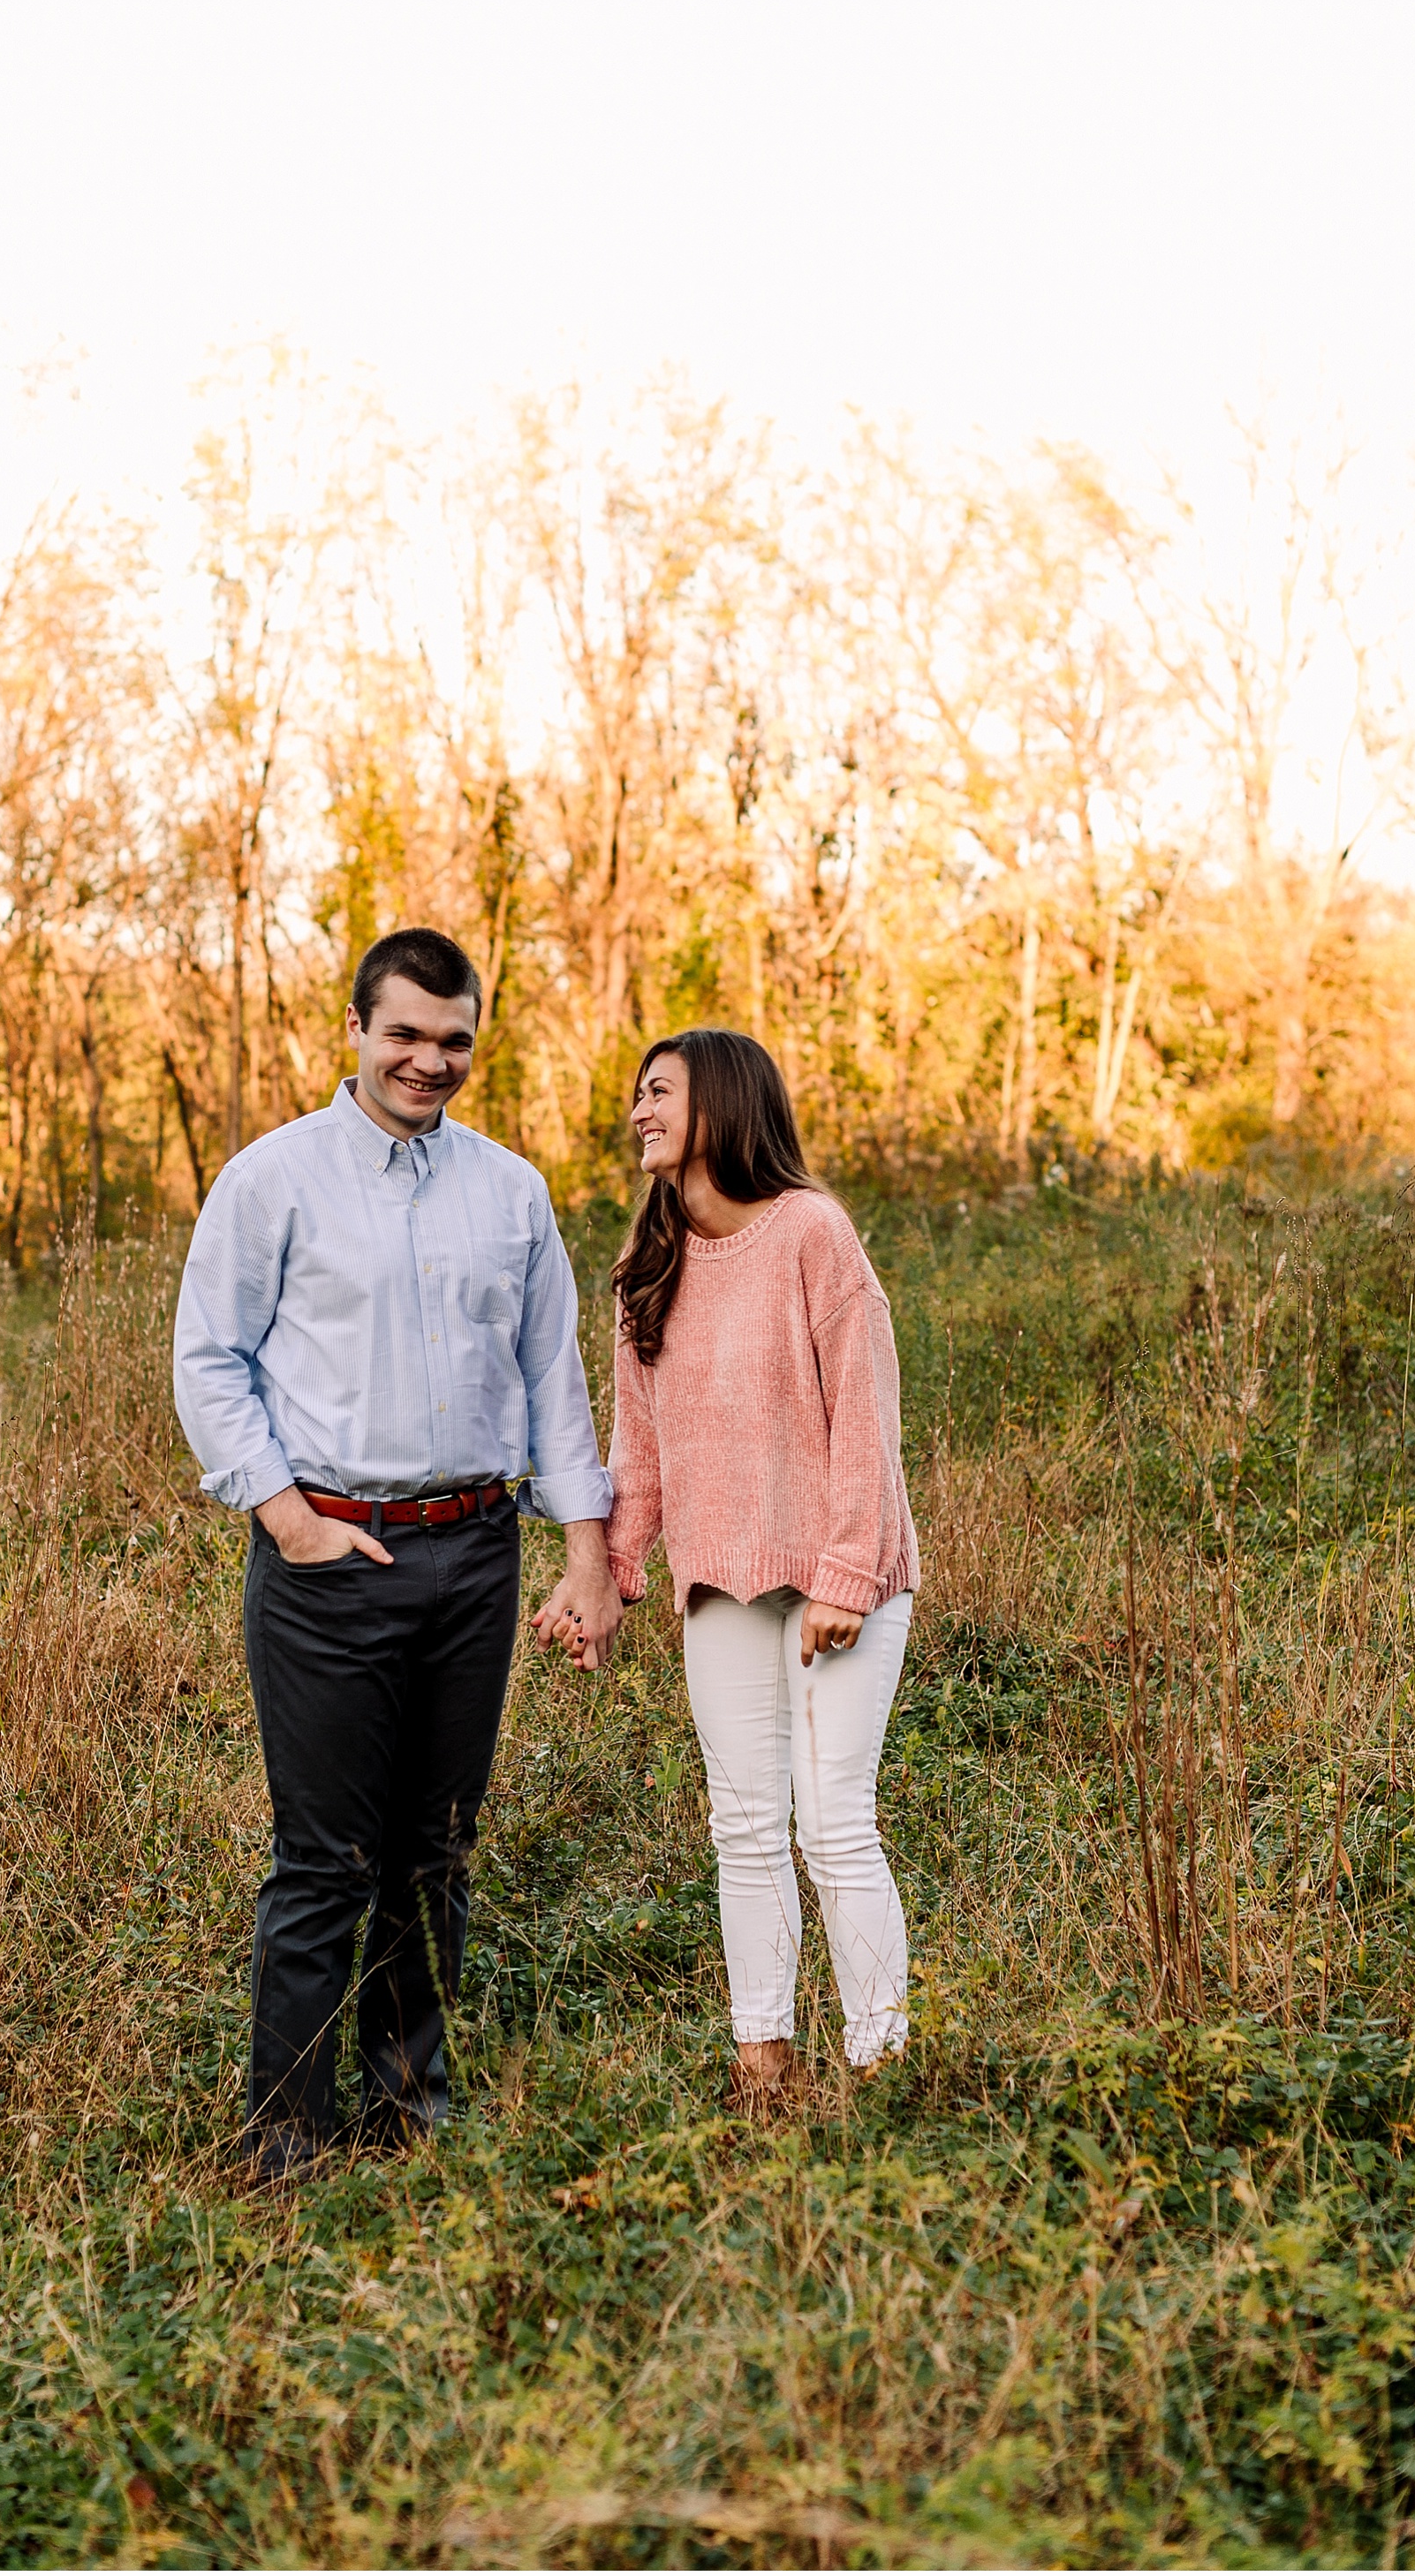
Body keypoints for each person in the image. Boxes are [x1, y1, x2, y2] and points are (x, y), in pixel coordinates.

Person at [173, 926, 622, 2183]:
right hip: (329, 1557)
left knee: (435, 1844)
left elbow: (552, 1378)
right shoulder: (275, 1180)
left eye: (455, 1039)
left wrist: (585, 1559)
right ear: (357, 1028)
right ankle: (284, 2133)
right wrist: (287, 1517)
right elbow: (208, 1355)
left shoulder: (511, 1191)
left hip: (475, 1551)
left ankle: (408, 2105)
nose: (431, 1060)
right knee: (327, 1854)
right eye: (408, 1034)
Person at [591, 1028, 920, 2099]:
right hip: (720, 1583)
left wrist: (846, 1577)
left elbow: (866, 1420)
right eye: (635, 1096)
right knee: (742, 1826)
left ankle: (880, 2066)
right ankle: (763, 2064)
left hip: (839, 1580)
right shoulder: (648, 1269)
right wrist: (611, 1572)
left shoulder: (811, 1233)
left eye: (660, 1093)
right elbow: (636, 1452)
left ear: (723, 1106)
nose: (639, 1111)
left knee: (832, 1823)